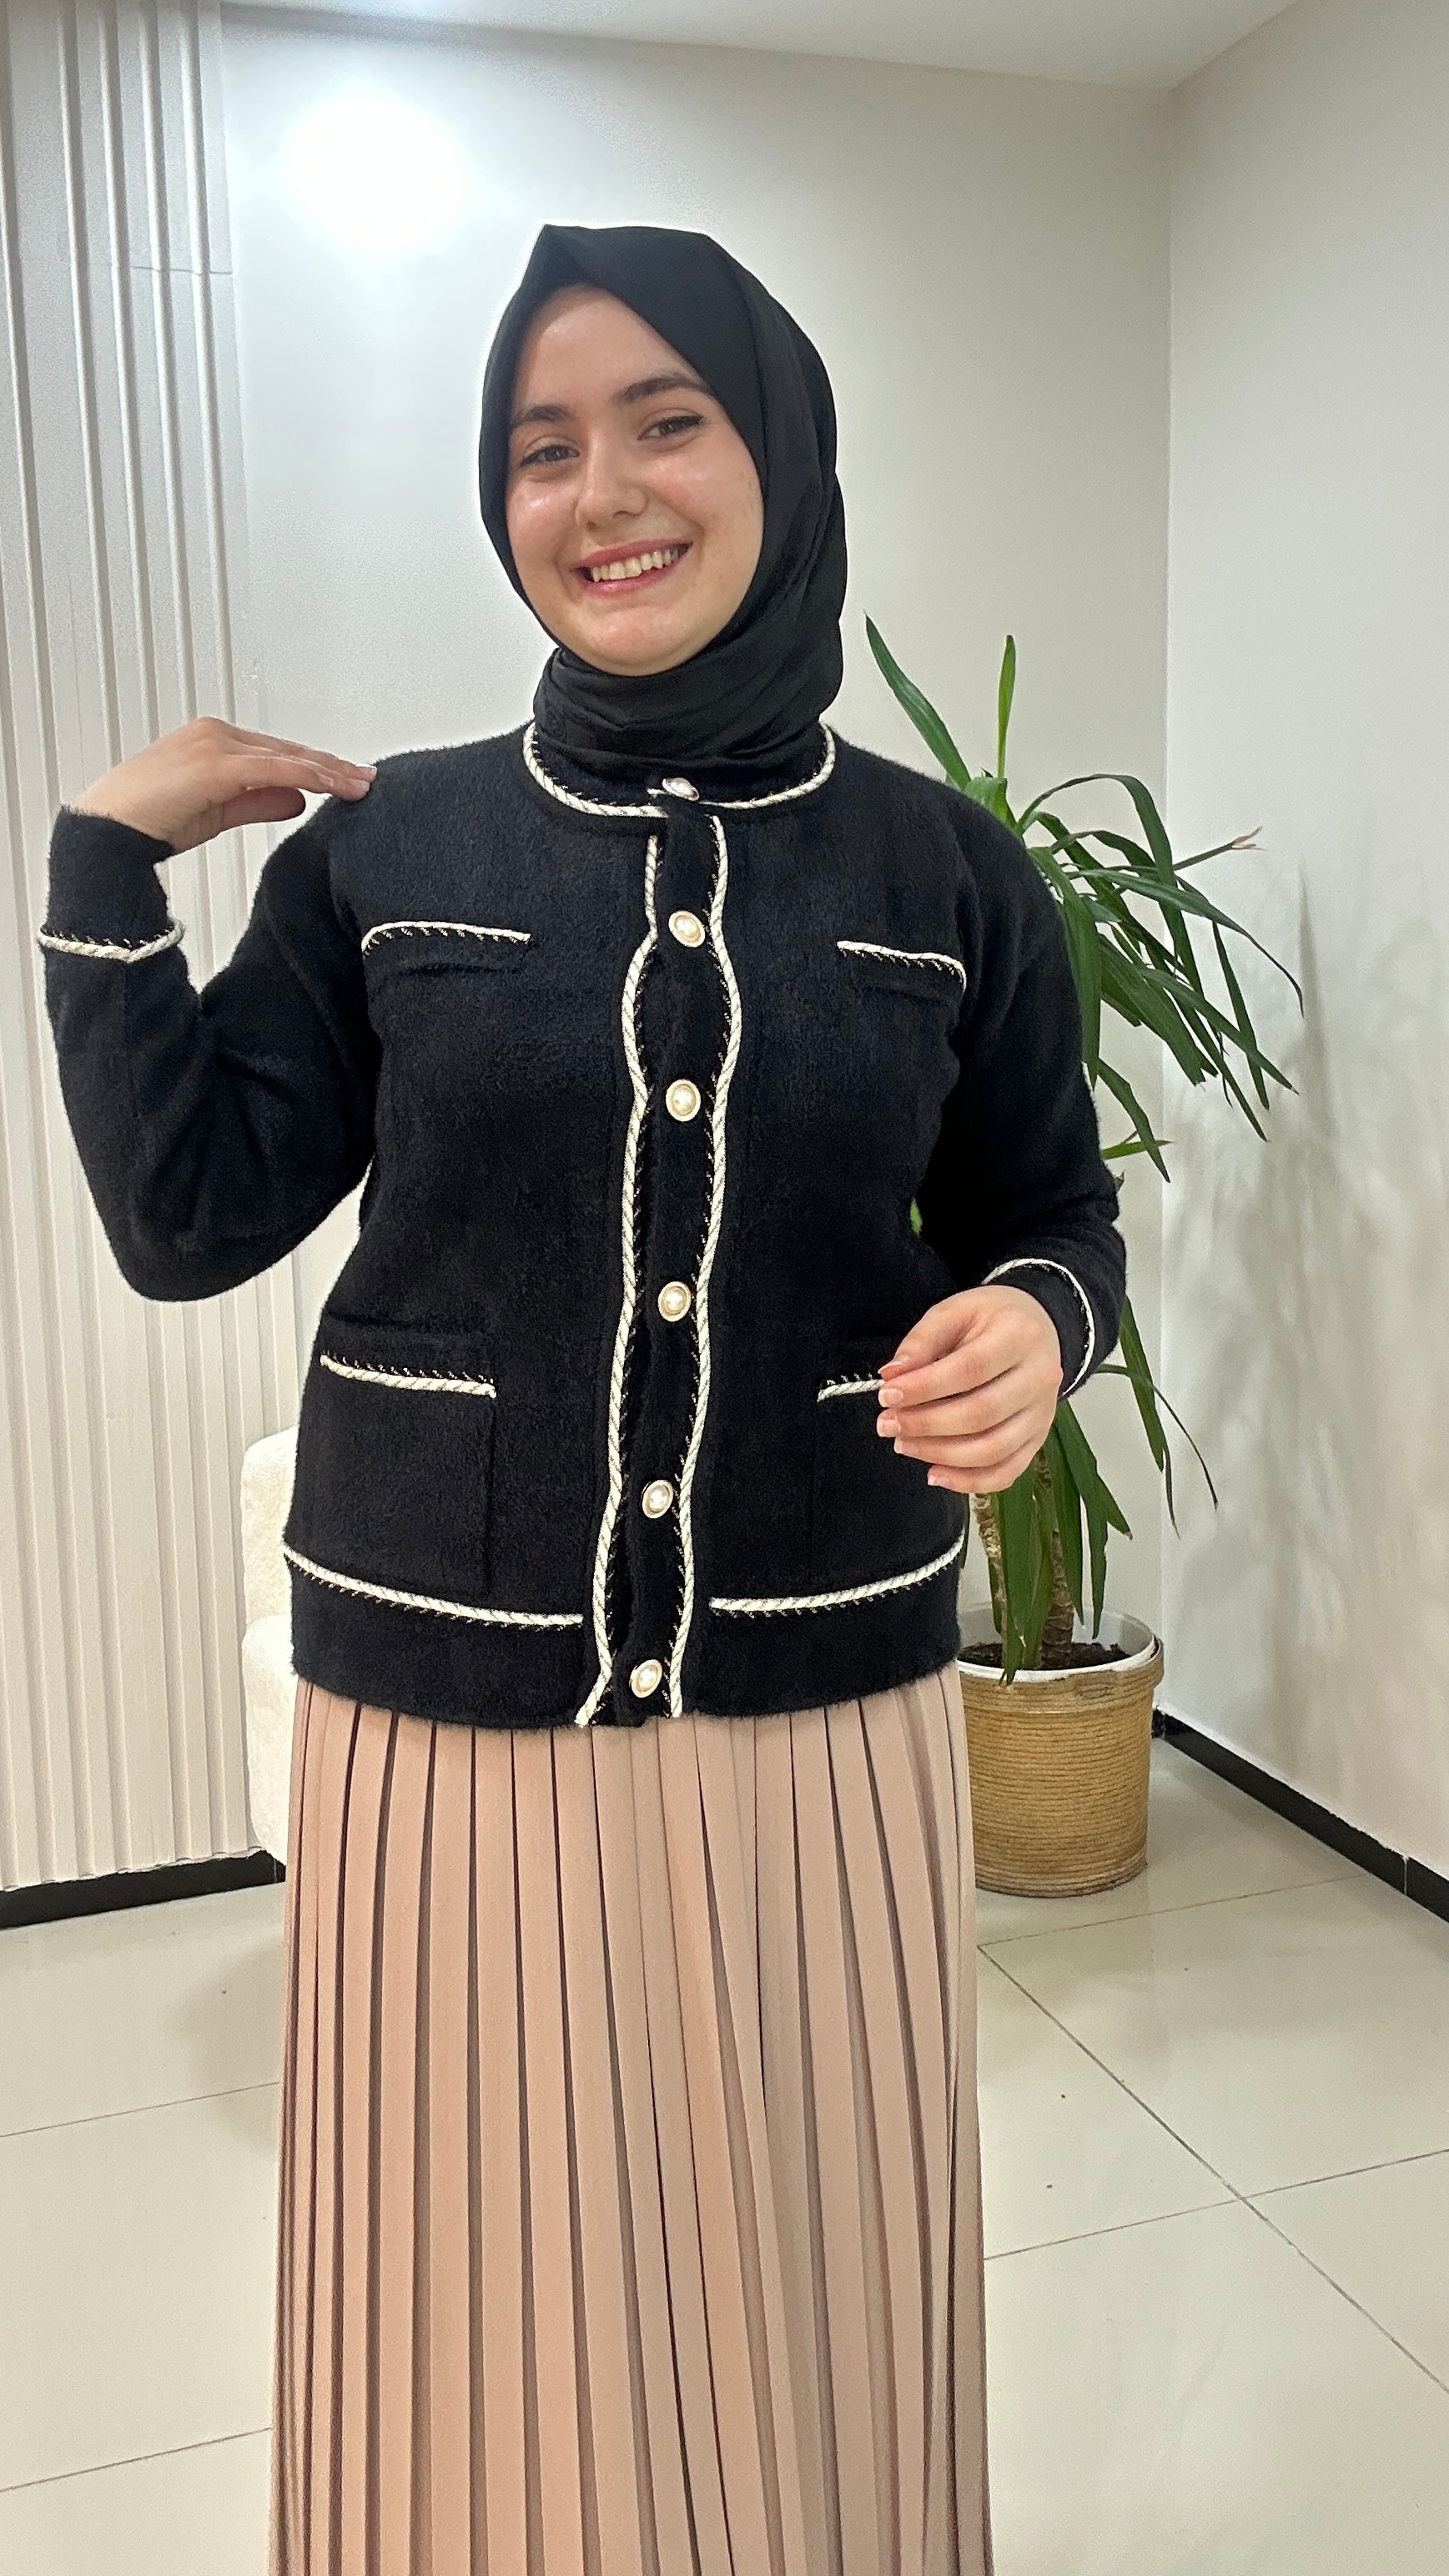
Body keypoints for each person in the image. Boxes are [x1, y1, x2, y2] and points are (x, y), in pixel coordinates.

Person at [36, 222, 1124, 2575]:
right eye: (542, 448)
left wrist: (1042, 1322)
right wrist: (105, 869)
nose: (602, 491)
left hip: (818, 1698)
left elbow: (1053, 1211)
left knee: (816, 2272)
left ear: (779, 456)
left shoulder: (946, 872)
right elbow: (189, 1216)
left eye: (666, 422)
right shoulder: (389, 848)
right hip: (444, 1711)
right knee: (473, 2303)